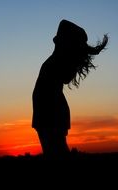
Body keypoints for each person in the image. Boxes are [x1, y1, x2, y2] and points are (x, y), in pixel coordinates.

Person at [32, 19, 108, 160]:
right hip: (49, 114)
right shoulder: (53, 62)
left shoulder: (53, 62)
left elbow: (64, 78)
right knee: (57, 153)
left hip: (50, 114)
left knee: (56, 154)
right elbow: (65, 78)